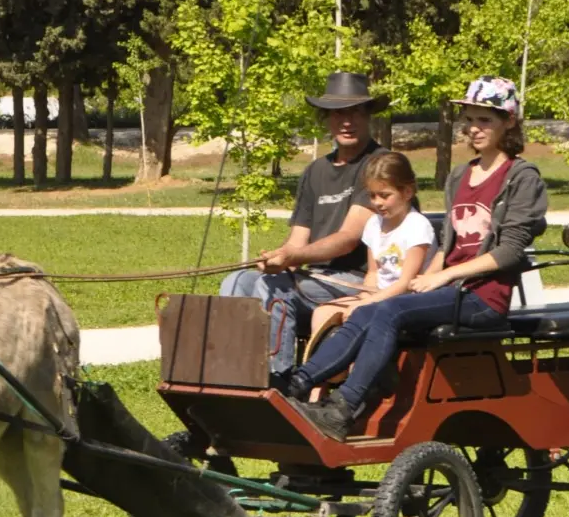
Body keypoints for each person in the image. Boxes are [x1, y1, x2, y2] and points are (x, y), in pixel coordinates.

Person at [285, 76, 549, 441]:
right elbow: (448, 241)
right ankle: (299, 384)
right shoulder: (461, 175)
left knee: (391, 310)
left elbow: (508, 251)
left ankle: (343, 409)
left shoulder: (521, 177)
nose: (474, 128)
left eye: (485, 120)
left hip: (484, 297)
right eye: (470, 119)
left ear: (509, 122)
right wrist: (433, 272)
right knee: (367, 309)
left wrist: (441, 278)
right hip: (450, 289)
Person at [220, 72, 389, 392]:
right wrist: (280, 256)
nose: (347, 121)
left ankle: (280, 384)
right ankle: (233, 378)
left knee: (277, 288)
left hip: (358, 280)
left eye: (355, 111)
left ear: (368, 115)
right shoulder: (316, 171)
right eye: (339, 113)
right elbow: (297, 240)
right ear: (327, 118)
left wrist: (291, 260)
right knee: (237, 281)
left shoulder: (379, 165)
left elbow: (348, 238)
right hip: (314, 279)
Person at [305, 152, 432, 362]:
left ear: (407, 191)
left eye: (385, 195)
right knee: (323, 312)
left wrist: (366, 304)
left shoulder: (417, 226)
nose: (377, 203)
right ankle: (321, 381)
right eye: (373, 196)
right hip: (378, 295)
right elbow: (373, 273)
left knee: (361, 318)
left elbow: (407, 283)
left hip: (405, 299)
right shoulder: (374, 224)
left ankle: (342, 375)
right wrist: (364, 298)